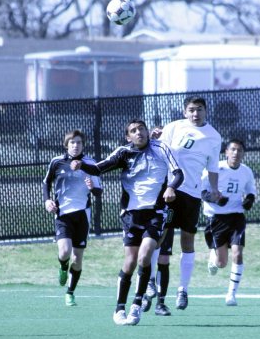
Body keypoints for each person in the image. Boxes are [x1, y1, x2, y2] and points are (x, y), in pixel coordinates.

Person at [71, 119, 183, 326]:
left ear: (148, 132)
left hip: (156, 212)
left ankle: (136, 304)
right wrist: (81, 164)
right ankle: (119, 307)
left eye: (141, 129)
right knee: (130, 262)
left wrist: (171, 188)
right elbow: (99, 168)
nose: (139, 132)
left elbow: (178, 173)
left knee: (145, 255)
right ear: (128, 136)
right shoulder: (123, 153)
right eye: (134, 130)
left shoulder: (161, 148)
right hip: (131, 214)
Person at [145, 96, 223, 312]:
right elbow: (158, 150)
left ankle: (183, 290)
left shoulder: (213, 136)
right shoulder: (174, 127)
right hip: (170, 191)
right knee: (159, 238)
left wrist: (214, 189)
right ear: (185, 111)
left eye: (199, 109)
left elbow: (213, 167)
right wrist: (153, 137)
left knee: (187, 241)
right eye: (191, 110)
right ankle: (150, 281)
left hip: (192, 194)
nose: (195, 114)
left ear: (206, 111)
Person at [42, 129, 103, 306]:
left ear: (83, 145)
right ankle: (62, 266)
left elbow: (99, 191)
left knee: (77, 259)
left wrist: (92, 187)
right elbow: (46, 182)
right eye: (72, 142)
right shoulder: (57, 162)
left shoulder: (90, 164)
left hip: (83, 214)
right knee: (64, 252)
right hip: (63, 214)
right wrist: (47, 201)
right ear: (66, 144)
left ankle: (70, 292)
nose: (76, 146)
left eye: (79, 142)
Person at [201, 138, 256, 306]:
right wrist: (216, 200)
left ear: (243, 154)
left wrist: (249, 200)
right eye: (232, 150)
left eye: (239, 150)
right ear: (226, 152)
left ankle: (231, 294)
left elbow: (250, 190)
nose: (236, 153)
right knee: (221, 263)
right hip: (216, 218)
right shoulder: (215, 169)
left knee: (238, 253)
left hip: (237, 217)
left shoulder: (246, 171)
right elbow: (202, 192)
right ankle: (213, 256)